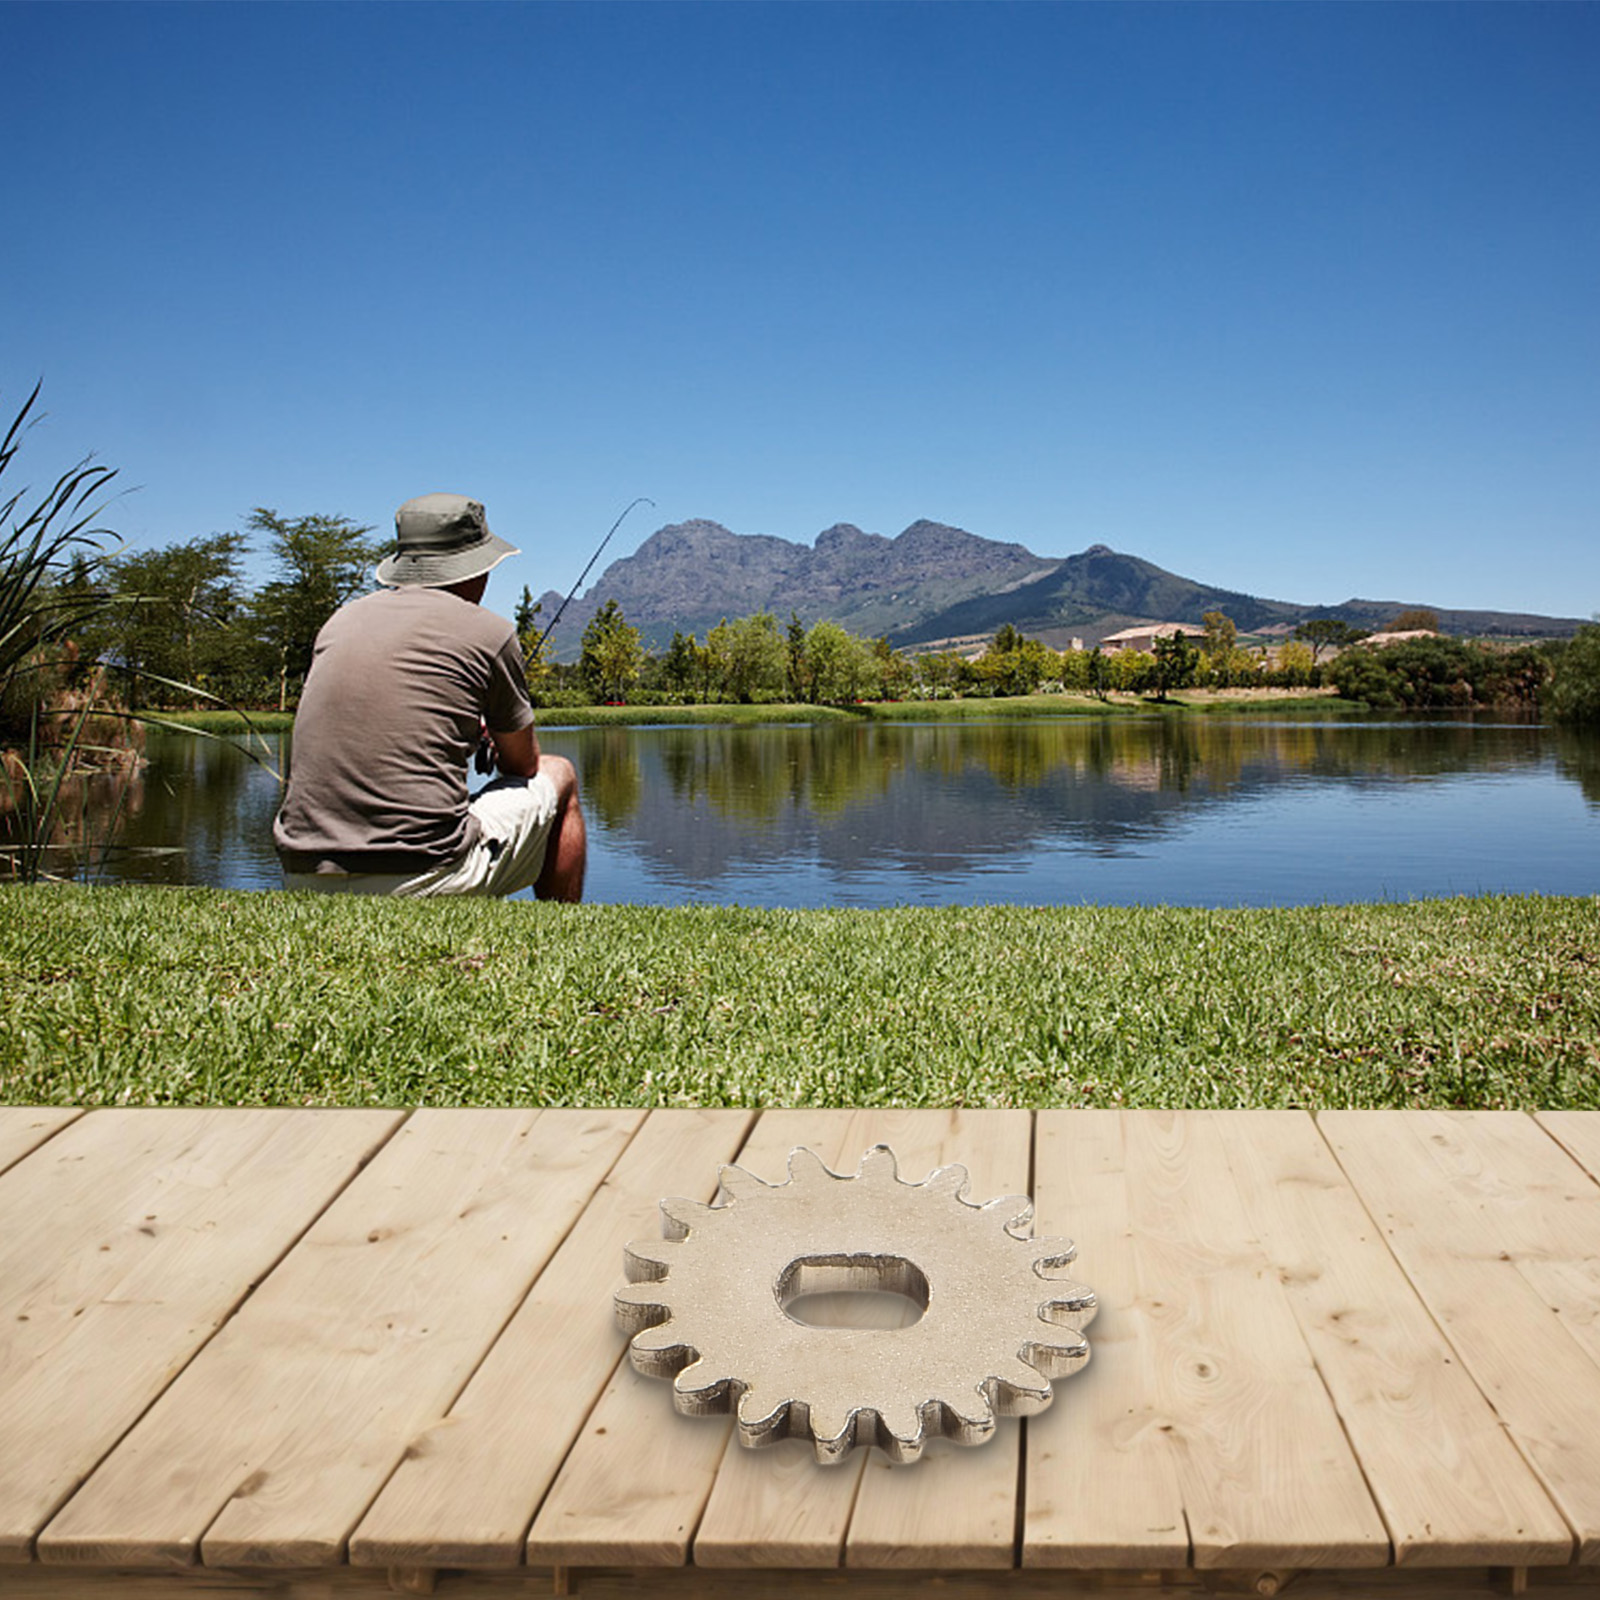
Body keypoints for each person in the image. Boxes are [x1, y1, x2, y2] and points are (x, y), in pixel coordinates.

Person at [274, 492, 585, 899]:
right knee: (559, 772)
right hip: (423, 873)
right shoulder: (490, 632)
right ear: (475, 568)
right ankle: (561, 925)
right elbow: (523, 765)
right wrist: (489, 732)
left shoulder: (339, 622)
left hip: (303, 874)